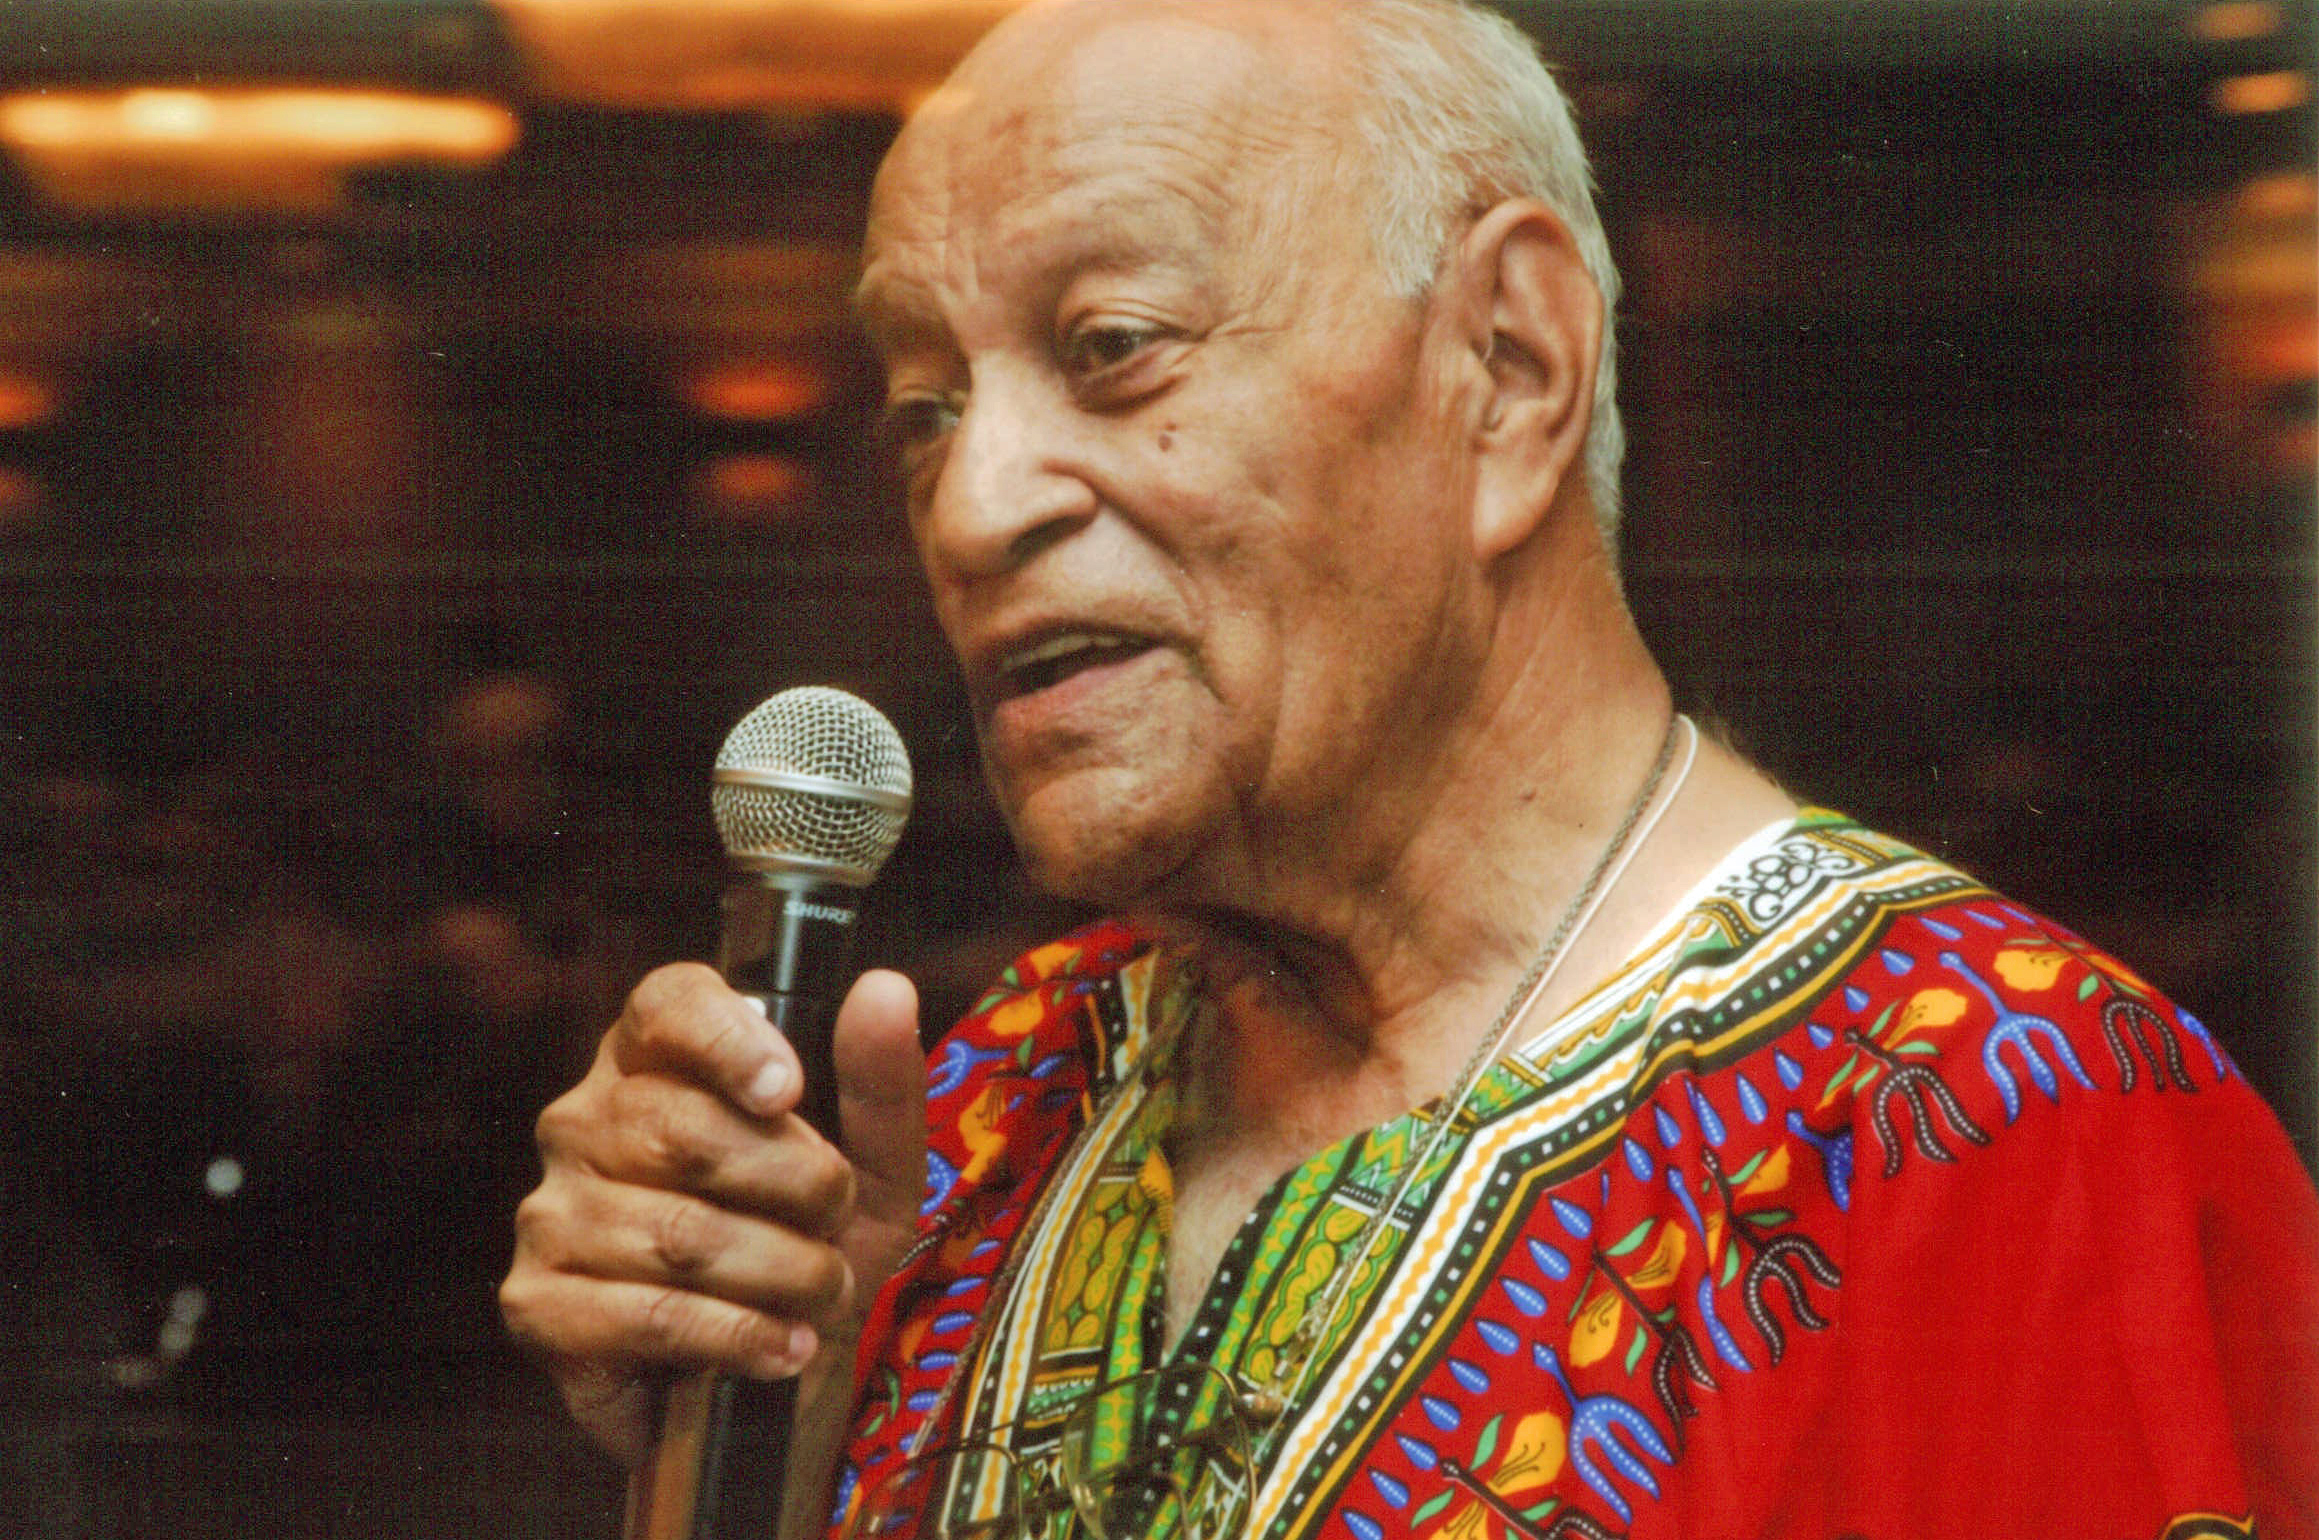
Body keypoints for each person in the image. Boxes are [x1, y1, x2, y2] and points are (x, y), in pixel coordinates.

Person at [499, 1, 2319, 1536]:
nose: (971, 508)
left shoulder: (2023, 1141)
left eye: (1113, 350)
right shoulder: (977, 1112)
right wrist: (757, 1446)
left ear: (1508, 368)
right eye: (924, 408)